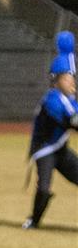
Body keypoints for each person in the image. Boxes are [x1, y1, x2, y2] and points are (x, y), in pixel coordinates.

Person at [24, 32, 77, 228]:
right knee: (44, 190)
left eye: (72, 77)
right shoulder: (52, 100)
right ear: (56, 80)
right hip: (45, 150)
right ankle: (34, 221)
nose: (72, 81)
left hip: (60, 149)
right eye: (68, 77)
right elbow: (72, 121)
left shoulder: (69, 100)